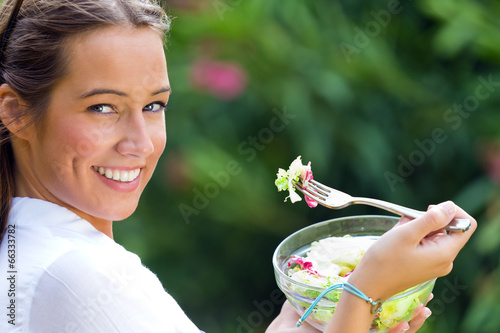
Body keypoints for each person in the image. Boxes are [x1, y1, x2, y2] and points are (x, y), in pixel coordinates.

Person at [0, 0, 476, 332]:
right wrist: (363, 294)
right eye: (102, 107)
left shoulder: (29, 250)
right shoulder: (79, 276)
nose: (140, 144)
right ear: (15, 111)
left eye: (154, 106)